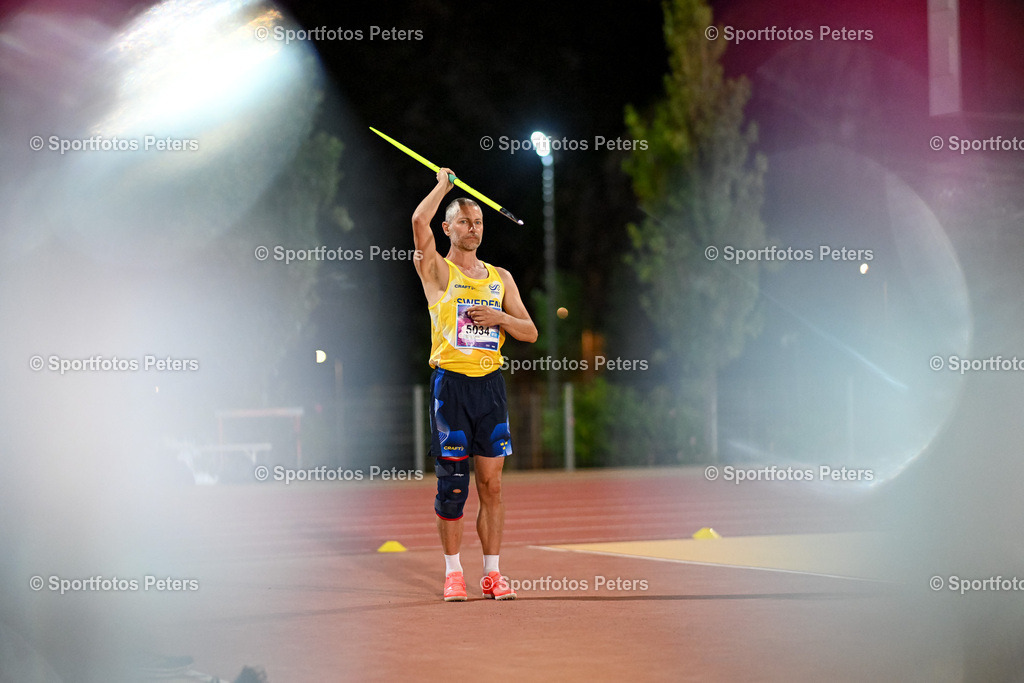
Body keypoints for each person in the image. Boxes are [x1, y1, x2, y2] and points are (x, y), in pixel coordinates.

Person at [411, 167, 538, 601]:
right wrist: (443, 186)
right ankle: (452, 573)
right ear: (448, 227)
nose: (473, 228)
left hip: (490, 389)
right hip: (451, 389)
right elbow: (416, 224)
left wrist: (501, 317)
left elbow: (530, 331)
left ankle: (493, 573)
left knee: (493, 485)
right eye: (464, 221)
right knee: (453, 488)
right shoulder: (438, 273)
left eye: (479, 221)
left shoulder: (500, 278)